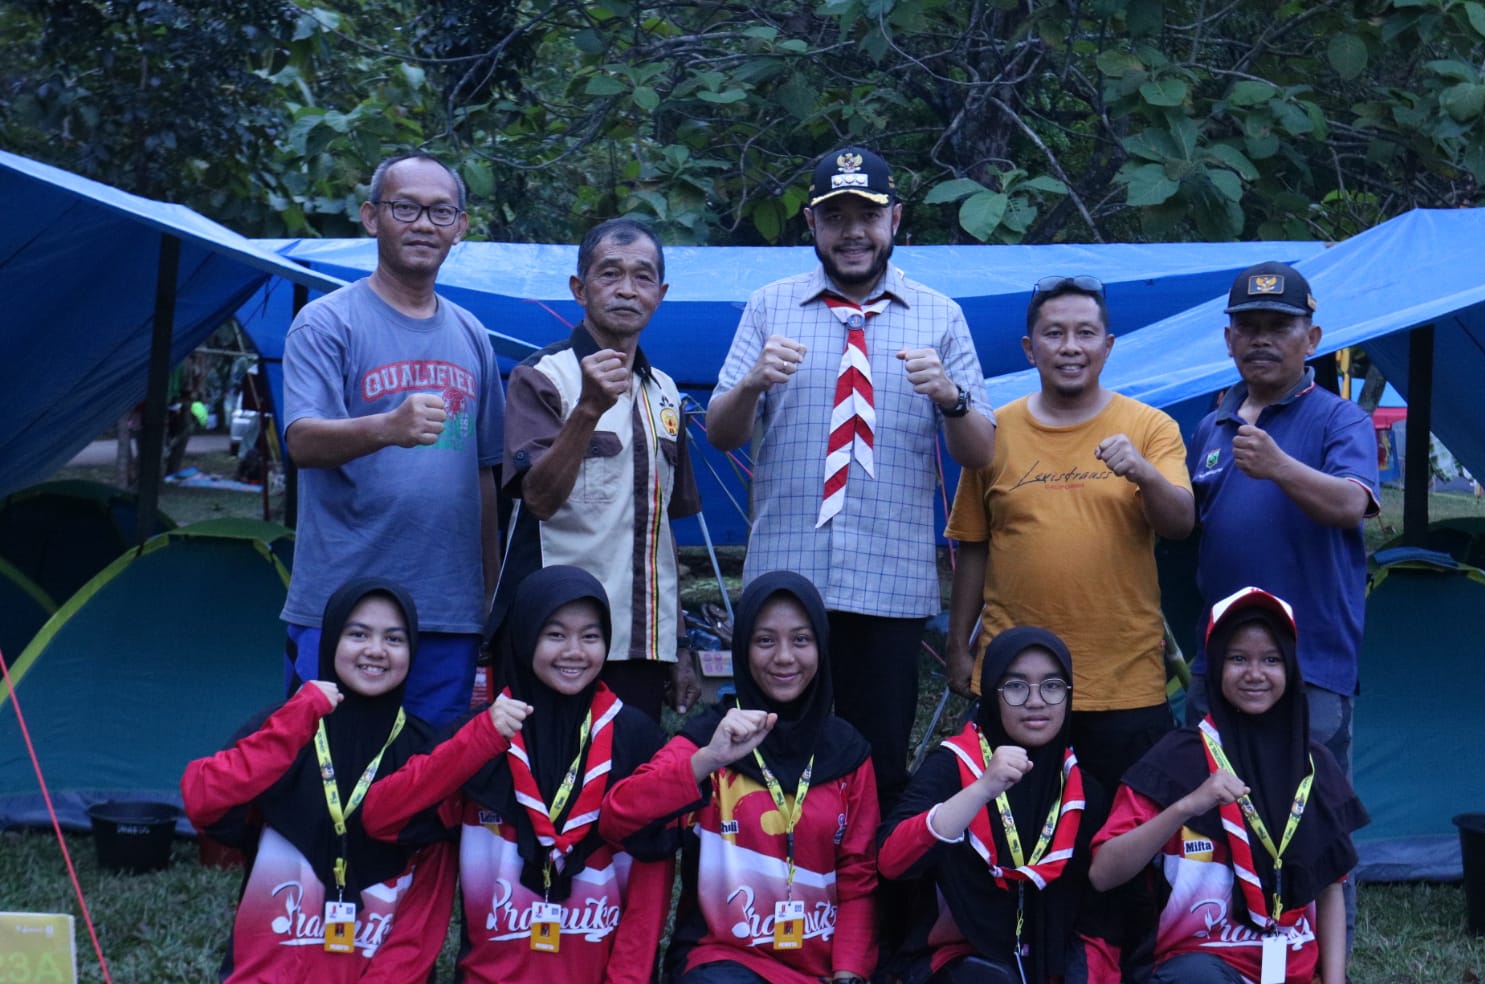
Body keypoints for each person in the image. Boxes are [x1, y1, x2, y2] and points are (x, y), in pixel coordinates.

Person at [705, 145, 995, 805]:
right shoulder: (769, 307)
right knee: (768, 760)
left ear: (895, 218)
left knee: (878, 767)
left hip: (890, 585)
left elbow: (980, 453)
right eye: (835, 217)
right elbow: (721, 435)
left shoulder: (940, 316)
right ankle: (769, 870)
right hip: (786, 578)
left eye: (866, 215)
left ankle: (870, 874)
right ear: (812, 223)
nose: (852, 232)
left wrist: (950, 398)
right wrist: (751, 383)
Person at [361, 566, 672, 984]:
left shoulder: (636, 739)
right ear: (525, 637)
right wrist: (478, 740)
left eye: (590, 636)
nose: (574, 651)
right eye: (555, 634)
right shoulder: (480, 734)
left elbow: (652, 885)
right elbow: (381, 816)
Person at [600, 571, 881, 984]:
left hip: (817, 969)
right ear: (742, 649)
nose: (784, 657)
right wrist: (709, 758)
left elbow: (859, 882)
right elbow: (618, 817)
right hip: (722, 953)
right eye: (765, 641)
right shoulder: (712, 737)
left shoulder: (848, 753)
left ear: (821, 647)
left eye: (801, 640)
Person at [1089, 588, 1378, 984]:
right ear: (1216, 666)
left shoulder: (1314, 765)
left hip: (1292, 980)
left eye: (1271, 660)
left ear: (1291, 668)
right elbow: (1103, 872)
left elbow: (1331, 890)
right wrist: (1186, 805)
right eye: (1238, 658)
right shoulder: (1176, 757)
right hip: (1200, 968)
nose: (1255, 673)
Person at [181, 578, 454, 984]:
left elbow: (427, 912)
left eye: (394, 638)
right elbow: (203, 801)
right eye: (358, 634)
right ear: (329, 642)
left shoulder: (427, 753)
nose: (376, 650)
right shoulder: (283, 726)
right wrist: (297, 717)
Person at [281, 151, 505, 729]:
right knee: (324, 759)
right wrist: (388, 427)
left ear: (460, 227)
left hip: (447, 608)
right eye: (405, 208)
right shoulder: (327, 322)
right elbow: (302, 441)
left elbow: (485, 472)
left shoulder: (472, 335)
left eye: (440, 212)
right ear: (370, 217)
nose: (424, 224)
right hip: (344, 605)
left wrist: (489, 588)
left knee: (433, 765)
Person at [945, 275, 1192, 789]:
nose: (1070, 347)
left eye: (1085, 333)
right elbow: (973, 545)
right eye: (1054, 333)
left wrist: (1144, 473)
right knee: (1014, 824)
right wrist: (958, 648)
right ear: (1029, 348)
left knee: (1128, 826)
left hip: (1124, 678)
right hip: (1017, 684)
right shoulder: (993, 432)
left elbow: (1180, 524)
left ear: (1108, 345)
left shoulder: (1151, 428)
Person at [878, 625, 1150, 984]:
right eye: (1017, 686)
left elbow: (1099, 919)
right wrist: (980, 791)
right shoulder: (954, 766)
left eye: (1052, 686)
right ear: (992, 693)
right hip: (956, 961)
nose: (1036, 700)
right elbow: (892, 860)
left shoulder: (1083, 791)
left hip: (1051, 977)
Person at [496, 219, 700, 719]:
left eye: (643, 277)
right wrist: (587, 409)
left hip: (642, 644)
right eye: (610, 274)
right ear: (579, 289)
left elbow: (662, 529)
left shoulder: (666, 392)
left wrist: (678, 643)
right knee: (546, 767)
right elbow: (538, 499)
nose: (627, 289)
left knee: (632, 767)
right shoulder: (542, 377)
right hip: (555, 641)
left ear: (660, 295)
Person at [1185, 262, 1378, 781]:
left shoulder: (1341, 419)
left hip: (1308, 663)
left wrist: (1280, 467)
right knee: (1213, 802)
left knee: (1312, 807)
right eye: (1248, 327)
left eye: (1279, 327)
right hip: (1219, 660)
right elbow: (1187, 527)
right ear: (1229, 340)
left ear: (1311, 339)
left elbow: (1351, 504)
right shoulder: (1211, 426)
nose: (1261, 340)